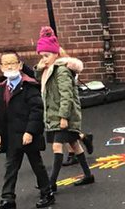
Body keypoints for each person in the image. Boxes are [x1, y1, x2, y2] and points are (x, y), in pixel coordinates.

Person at [0, 50, 54, 209]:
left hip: (27, 134)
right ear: (1, 67)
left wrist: (30, 131)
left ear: (20, 65)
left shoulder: (29, 85)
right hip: (11, 135)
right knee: (10, 167)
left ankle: (46, 192)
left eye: (13, 62)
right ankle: (8, 198)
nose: (10, 66)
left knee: (36, 164)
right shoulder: (1, 88)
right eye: (6, 63)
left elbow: (36, 110)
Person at [34, 27, 94, 192]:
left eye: (47, 56)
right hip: (53, 114)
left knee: (57, 146)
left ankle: (51, 183)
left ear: (56, 54)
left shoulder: (61, 71)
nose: (44, 60)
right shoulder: (48, 70)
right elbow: (37, 80)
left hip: (61, 115)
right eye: (41, 56)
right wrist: (39, 67)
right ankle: (88, 175)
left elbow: (66, 96)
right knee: (74, 143)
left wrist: (63, 116)